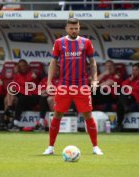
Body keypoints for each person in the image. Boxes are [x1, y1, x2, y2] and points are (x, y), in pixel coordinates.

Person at [43, 18, 103, 155]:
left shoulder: (86, 42)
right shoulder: (59, 43)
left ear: (79, 28)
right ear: (66, 28)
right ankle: (50, 147)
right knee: (57, 114)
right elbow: (53, 63)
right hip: (64, 86)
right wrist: (49, 82)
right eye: (71, 28)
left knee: (88, 115)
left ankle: (95, 147)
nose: (74, 30)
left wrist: (94, 80)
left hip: (81, 86)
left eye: (76, 28)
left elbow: (92, 62)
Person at [9, 59, 40, 131]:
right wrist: (25, 85)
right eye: (20, 66)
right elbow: (17, 86)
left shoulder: (33, 74)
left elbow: (29, 85)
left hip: (32, 96)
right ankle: (14, 121)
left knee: (21, 99)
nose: (22, 68)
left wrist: (25, 85)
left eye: (24, 66)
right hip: (22, 95)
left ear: (27, 66)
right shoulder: (17, 76)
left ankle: (14, 120)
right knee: (16, 95)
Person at [116, 63, 139, 131]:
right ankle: (119, 123)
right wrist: (130, 79)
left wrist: (130, 87)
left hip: (135, 97)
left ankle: (119, 124)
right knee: (119, 101)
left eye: (136, 70)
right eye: (133, 70)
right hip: (126, 97)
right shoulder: (130, 78)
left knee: (120, 100)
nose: (134, 72)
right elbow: (123, 85)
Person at [35, 65, 60, 131]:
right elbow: (40, 91)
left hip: (59, 101)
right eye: (53, 70)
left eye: (56, 70)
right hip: (47, 101)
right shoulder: (45, 80)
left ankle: (56, 122)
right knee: (42, 98)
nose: (55, 72)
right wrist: (43, 92)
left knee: (51, 99)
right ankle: (41, 122)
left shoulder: (63, 80)